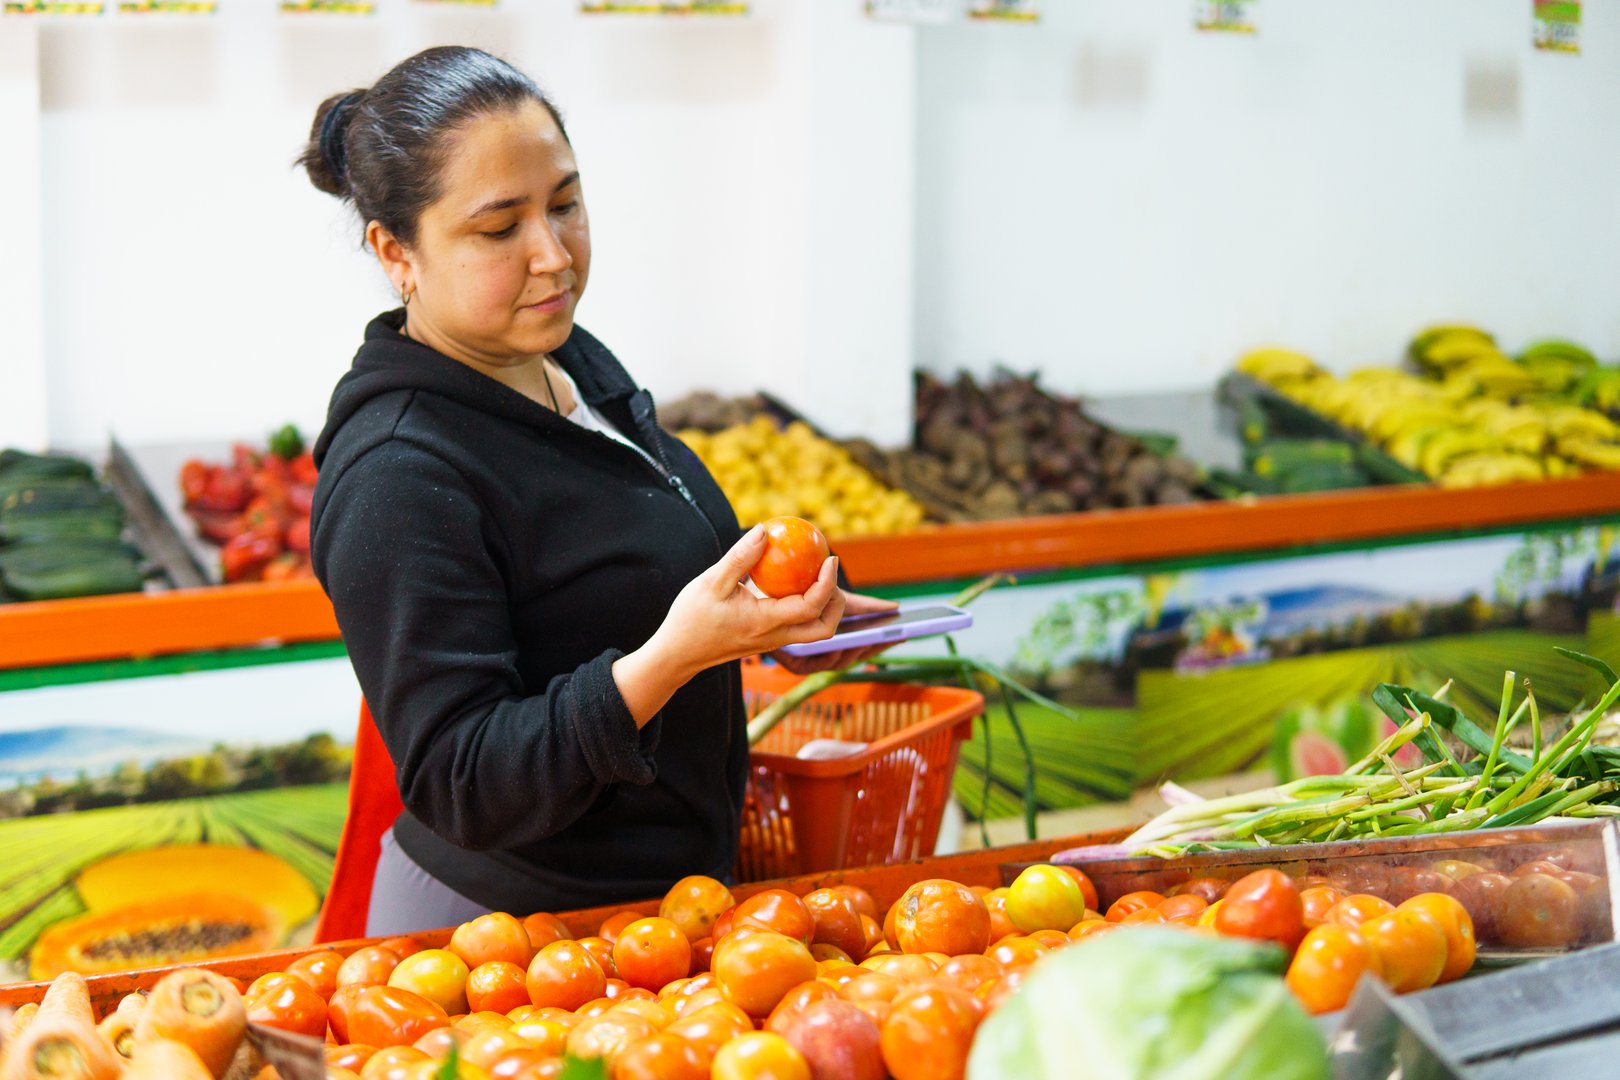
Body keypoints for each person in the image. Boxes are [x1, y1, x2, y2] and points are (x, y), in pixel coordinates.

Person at [301, 46, 895, 935]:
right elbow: (463, 779)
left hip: (655, 909)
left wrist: (765, 626)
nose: (553, 255)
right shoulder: (398, 475)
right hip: (505, 937)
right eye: (500, 229)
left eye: (566, 205)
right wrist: (676, 658)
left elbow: (615, 589)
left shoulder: (558, 356)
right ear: (397, 252)